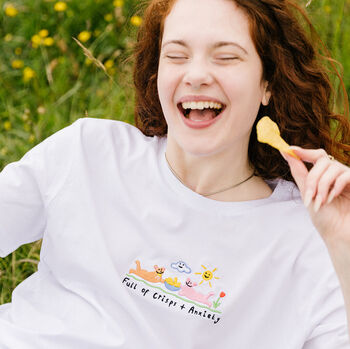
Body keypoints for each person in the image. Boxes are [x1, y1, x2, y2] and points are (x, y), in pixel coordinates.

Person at [0, 0, 349, 347]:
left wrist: (343, 242)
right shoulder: (88, 152)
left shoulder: (313, 237)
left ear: (267, 83)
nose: (196, 75)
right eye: (177, 56)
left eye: (226, 56)